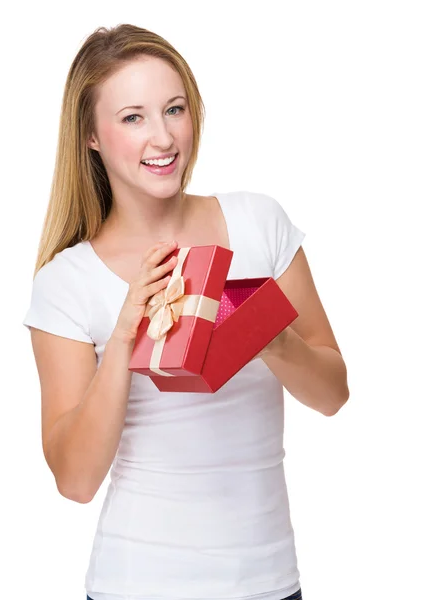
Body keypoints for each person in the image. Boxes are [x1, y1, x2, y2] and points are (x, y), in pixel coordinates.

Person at [22, 24, 349, 600]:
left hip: (270, 582)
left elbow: (333, 394)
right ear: (91, 137)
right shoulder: (67, 283)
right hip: (138, 582)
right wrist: (125, 334)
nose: (163, 137)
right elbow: (74, 481)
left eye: (174, 109)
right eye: (133, 117)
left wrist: (264, 332)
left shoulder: (259, 224)